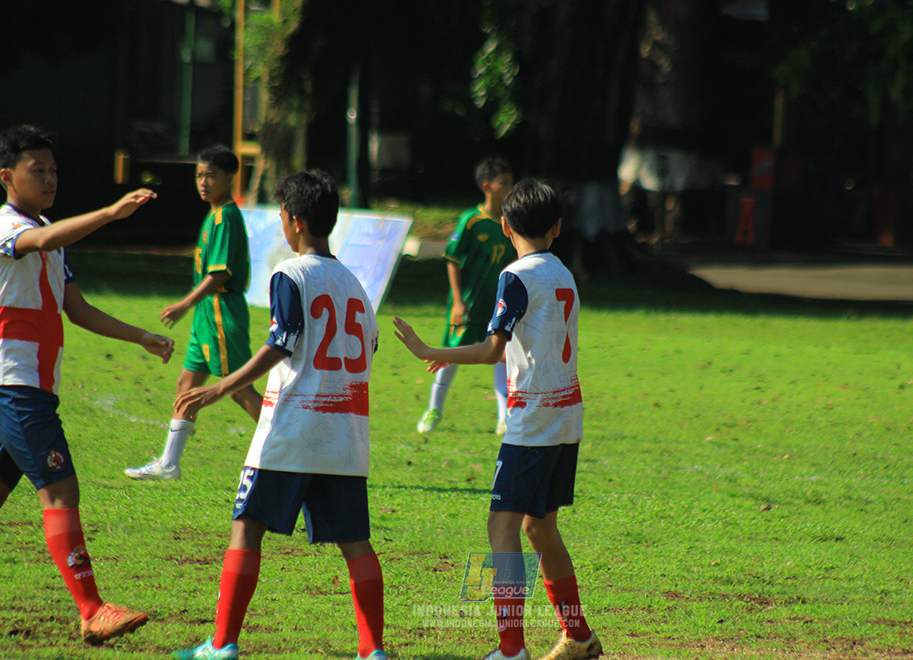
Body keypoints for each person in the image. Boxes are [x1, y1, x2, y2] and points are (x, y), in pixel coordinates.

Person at [171, 170, 386, 660]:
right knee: (355, 543)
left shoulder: (290, 274)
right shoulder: (355, 285)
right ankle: (372, 651)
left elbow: (282, 341)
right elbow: (367, 348)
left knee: (246, 528)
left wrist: (221, 387)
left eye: (284, 218)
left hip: (290, 429)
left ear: (295, 222)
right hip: (345, 436)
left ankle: (222, 645)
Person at [394, 179, 602, 660]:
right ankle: (578, 635)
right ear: (557, 226)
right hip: (567, 414)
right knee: (539, 529)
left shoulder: (516, 275)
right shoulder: (564, 273)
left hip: (533, 419)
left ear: (505, 226)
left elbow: (493, 349)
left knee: (501, 527)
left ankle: (511, 649)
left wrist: (431, 350)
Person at [0, 124, 175, 644]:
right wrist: (110, 213)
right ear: (7, 177)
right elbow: (45, 240)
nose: (50, 178)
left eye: (54, 169)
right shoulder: (8, 226)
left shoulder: (48, 229)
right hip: (18, 385)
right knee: (60, 491)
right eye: (38, 170)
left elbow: (75, 309)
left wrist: (140, 335)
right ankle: (92, 608)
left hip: (31, 386)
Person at [125, 145, 262, 481]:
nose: (203, 182)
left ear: (230, 177)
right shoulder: (213, 214)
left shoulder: (227, 216)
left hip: (220, 311)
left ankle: (292, 448)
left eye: (211, 175)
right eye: (199, 175)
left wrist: (185, 303)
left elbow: (220, 274)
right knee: (187, 383)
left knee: (238, 387)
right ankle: (169, 463)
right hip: (206, 314)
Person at [416, 156, 516, 435]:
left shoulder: (511, 223)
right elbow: (452, 260)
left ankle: (503, 417)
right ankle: (434, 409)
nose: (510, 187)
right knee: (452, 354)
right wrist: (458, 301)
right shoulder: (471, 221)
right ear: (487, 186)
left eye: (511, 182)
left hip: (499, 303)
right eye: (504, 183)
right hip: (470, 302)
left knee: (501, 354)